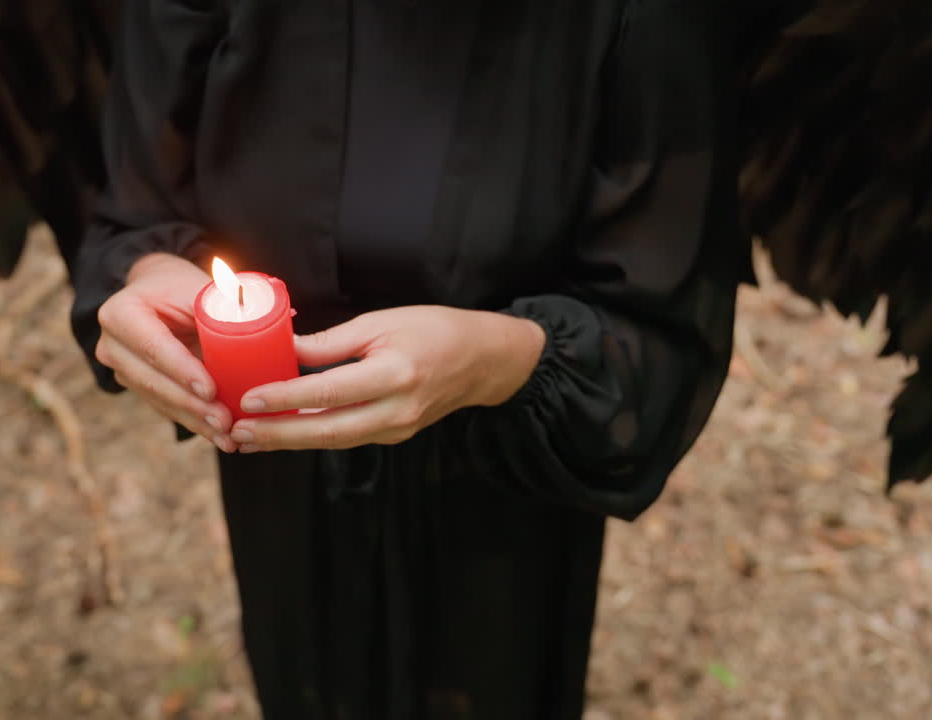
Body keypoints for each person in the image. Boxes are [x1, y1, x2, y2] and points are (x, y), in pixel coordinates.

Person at [70, 1, 743, 717]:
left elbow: (661, 341)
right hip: (282, 476)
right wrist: (148, 279)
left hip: (509, 491)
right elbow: (134, 215)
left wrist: (500, 361)